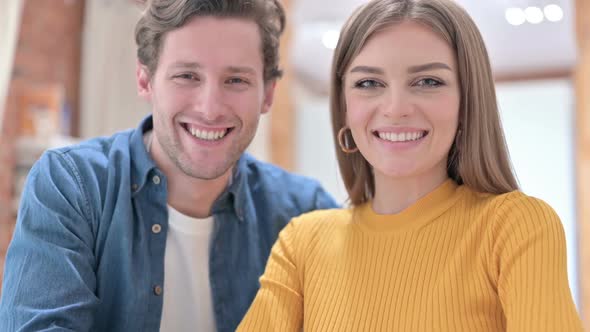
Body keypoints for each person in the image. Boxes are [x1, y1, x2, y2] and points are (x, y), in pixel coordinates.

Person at [238, 0, 583, 331]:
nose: (395, 108)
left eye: (428, 82)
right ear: (344, 106)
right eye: (369, 83)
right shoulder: (302, 243)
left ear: (467, 102)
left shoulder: (514, 227)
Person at [0, 0, 338, 331]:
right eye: (187, 75)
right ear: (145, 80)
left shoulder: (306, 212)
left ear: (267, 94)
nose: (210, 109)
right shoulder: (71, 185)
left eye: (236, 80)